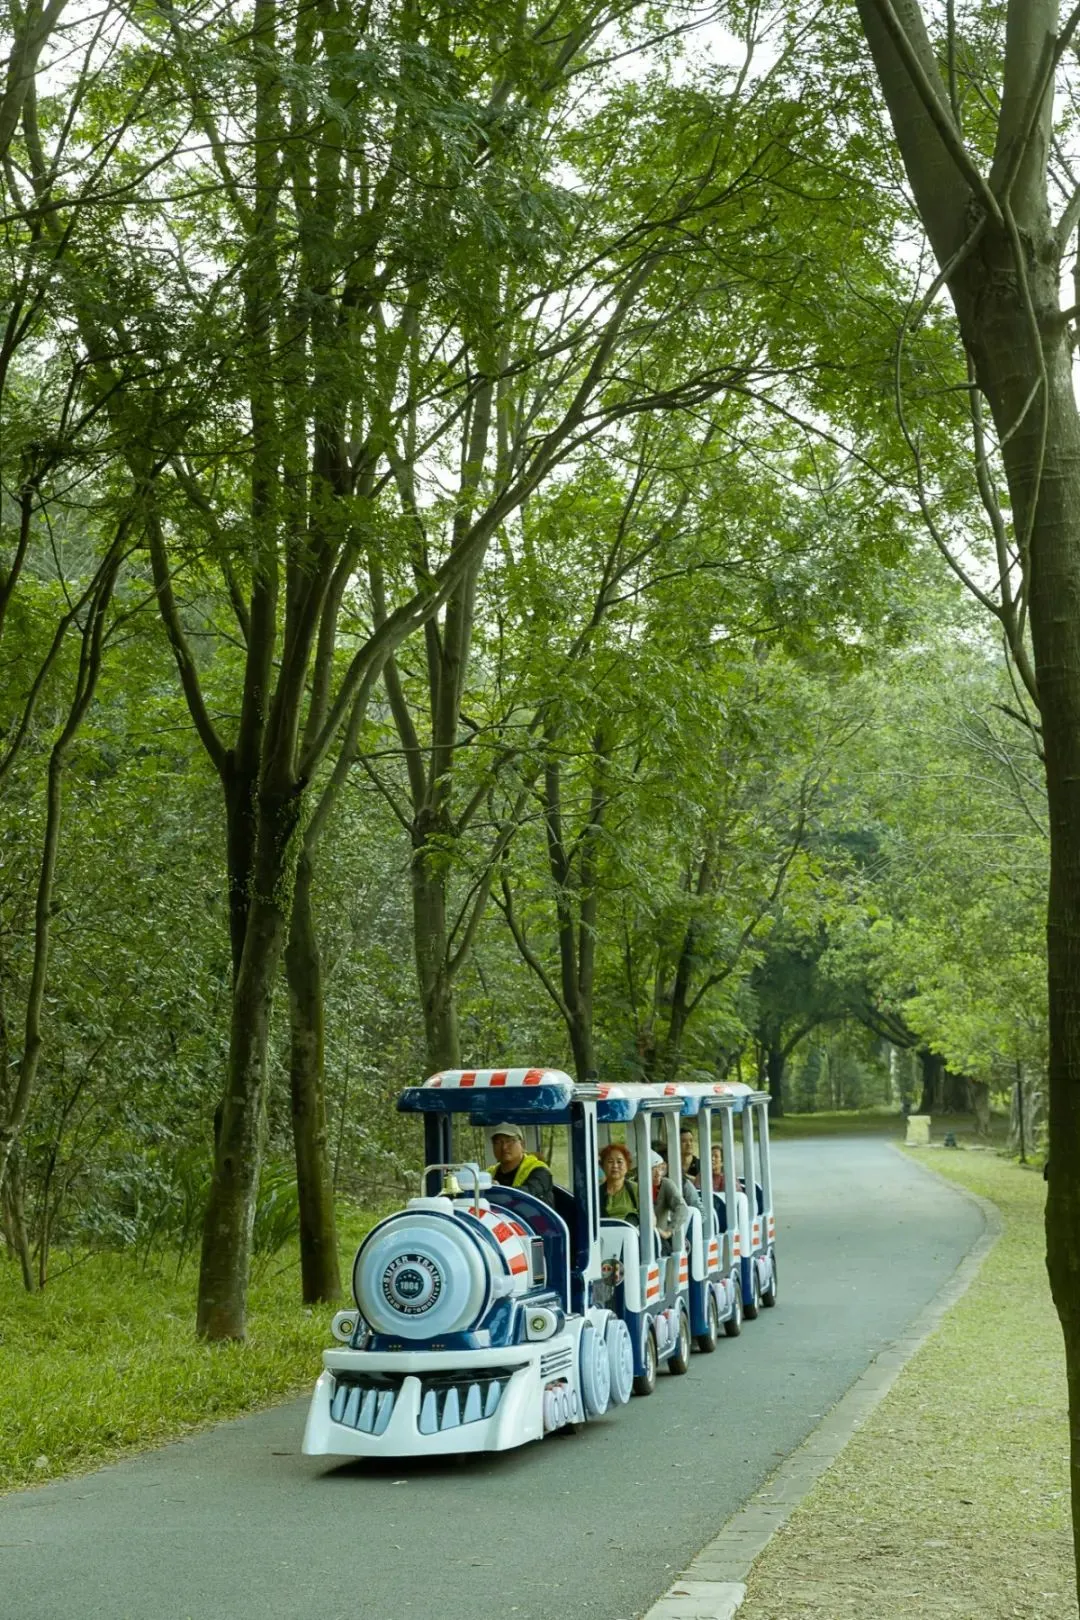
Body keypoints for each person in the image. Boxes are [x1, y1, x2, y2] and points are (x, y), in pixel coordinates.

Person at [487, 1123, 555, 1206]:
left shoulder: (540, 1170)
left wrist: (498, 1190)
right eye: (498, 1143)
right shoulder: (489, 1173)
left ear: (522, 1144)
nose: (504, 1147)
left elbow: (530, 1192)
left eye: (509, 1141)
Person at [650, 1151, 688, 1253]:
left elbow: (682, 1208)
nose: (658, 1173)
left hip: (659, 1240)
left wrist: (668, 1231)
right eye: (653, 1169)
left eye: (660, 1168)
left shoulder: (665, 1184)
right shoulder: (634, 1186)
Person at [599, 1142, 638, 1223]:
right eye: (610, 1161)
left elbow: (650, 1218)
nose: (615, 1166)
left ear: (627, 1166)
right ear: (602, 1166)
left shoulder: (636, 1189)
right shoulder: (595, 1193)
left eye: (619, 1162)